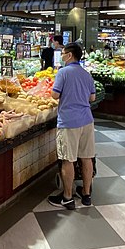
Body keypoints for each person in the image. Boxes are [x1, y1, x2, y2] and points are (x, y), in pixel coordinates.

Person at [48, 43, 96, 210]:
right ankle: (86, 194)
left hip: (69, 122)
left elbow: (55, 95)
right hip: (87, 121)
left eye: (63, 53)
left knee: (68, 159)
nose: (61, 55)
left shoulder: (63, 72)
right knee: (86, 158)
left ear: (69, 55)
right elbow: (92, 98)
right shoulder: (86, 74)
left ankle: (67, 197)